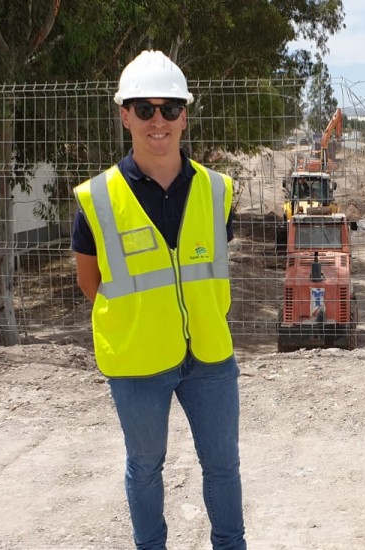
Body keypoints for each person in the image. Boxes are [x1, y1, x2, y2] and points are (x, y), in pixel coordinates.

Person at [70, 50, 246, 550]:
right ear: (124, 114)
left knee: (224, 467)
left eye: (169, 108)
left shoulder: (218, 190)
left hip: (210, 356)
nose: (158, 120)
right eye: (143, 109)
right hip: (137, 363)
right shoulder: (96, 199)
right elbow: (91, 284)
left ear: (184, 115)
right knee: (145, 469)